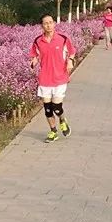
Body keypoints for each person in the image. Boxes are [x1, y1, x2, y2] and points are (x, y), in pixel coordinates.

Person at [29, 14, 74, 142]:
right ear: (42, 26)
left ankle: (62, 119)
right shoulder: (38, 41)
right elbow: (35, 55)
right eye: (45, 23)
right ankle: (53, 131)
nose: (48, 25)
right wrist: (33, 61)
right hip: (45, 79)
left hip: (60, 78)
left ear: (54, 24)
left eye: (50, 22)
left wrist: (70, 61)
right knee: (48, 109)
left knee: (57, 108)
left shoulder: (63, 39)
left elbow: (72, 51)